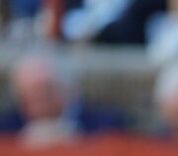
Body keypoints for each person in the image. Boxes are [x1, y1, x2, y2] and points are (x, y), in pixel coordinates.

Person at [0, 51, 128, 145]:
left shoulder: (107, 124)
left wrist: (77, 141)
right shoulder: (7, 127)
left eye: (46, 92)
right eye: (28, 96)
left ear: (68, 89)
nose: (39, 101)